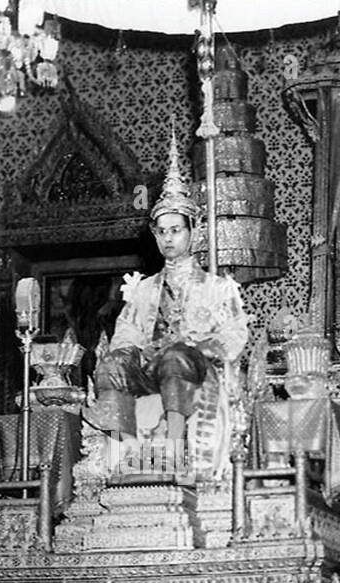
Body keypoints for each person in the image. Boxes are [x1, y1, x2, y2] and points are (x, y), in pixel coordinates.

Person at [83, 133, 248, 478]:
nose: (168, 239)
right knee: (112, 364)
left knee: (175, 355)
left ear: (193, 233)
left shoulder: (218, 287)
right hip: (149, 367)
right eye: (161, 232)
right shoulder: (143, 289)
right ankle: (128, 451)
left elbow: (235, 335)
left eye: (175, 230)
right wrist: (135, 351)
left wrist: (200, 346)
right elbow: (125, 333)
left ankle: (173, 446)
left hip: (192, 366)